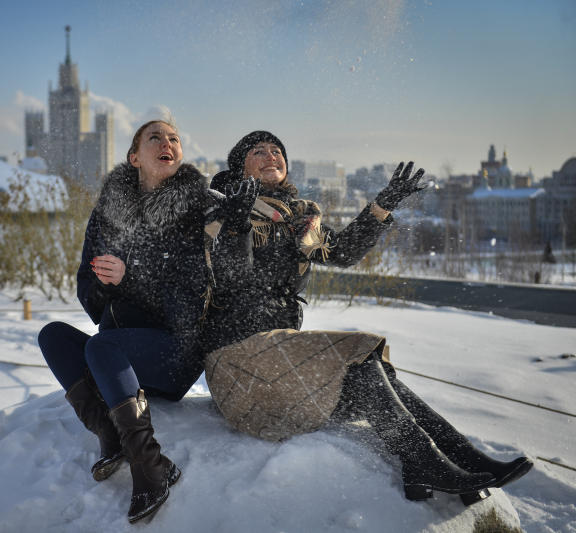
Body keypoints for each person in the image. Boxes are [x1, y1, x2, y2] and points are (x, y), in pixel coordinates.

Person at [203, 131, 532, 503]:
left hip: (281, 364)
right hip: (238, 364)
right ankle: (423, 460)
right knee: (358, 351)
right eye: (257, 151)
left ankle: (461, 458)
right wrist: (239, 221)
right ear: (238, 167)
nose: (271, 156)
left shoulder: (298, 218)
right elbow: (233, 277)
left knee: (374, 375)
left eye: (277, 151)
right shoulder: (223, 210)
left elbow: (341, 251)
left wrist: (381, 206)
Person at [37, 120, 253, 523]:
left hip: (175, 354)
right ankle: (109, 433)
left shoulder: (198, 209)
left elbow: (195, 292)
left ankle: (151, 465)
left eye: (174, 138)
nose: (166, 143)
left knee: (103, 345)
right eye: (155, 137)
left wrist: (130, 275)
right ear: (135, 156)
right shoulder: (108, 213)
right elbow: (87, 285)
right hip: (119, 355)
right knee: (53, 336)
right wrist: (105, 285)